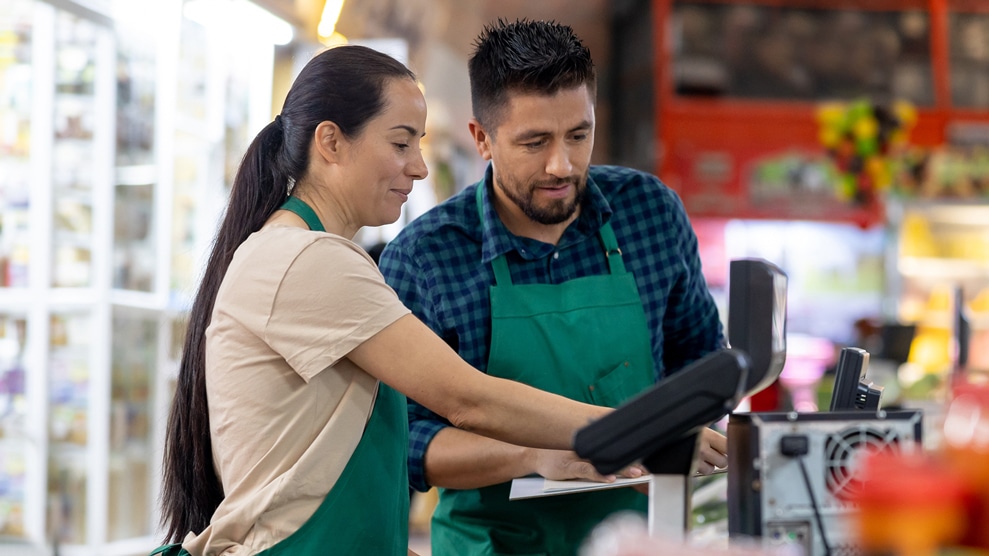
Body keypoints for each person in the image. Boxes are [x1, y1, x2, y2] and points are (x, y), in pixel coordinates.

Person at [153, 44, 627, 556]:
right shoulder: (307, 259)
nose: (420, 168)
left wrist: (539, 453)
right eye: (401, 144)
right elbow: (468, 399)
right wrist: (638, 432)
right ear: (331, 142)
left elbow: (313, 468)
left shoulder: (306, 252)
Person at [378, 19, 728, 555]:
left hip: (644, 538)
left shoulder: (649, 214)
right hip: (494, 543)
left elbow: (700, 360)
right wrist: (533, 455)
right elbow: (404, 441)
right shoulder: (427, 258)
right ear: (482, 139)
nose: (562, 164)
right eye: (535, 142)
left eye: (578, 135)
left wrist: (683, 429)